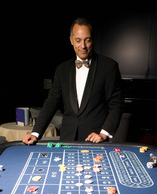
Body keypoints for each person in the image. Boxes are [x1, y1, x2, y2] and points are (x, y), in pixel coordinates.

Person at [23, 17, 122, 145]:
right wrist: (35, 133)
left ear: (93, 40)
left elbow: (116, 105)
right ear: (71, 40)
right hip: (67, 139)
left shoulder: (108, 67)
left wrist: (103, 134)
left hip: (95, 139)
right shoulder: (62, 69)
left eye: (87, 40)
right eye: (78, 40)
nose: (83, 46)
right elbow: (51, 103)